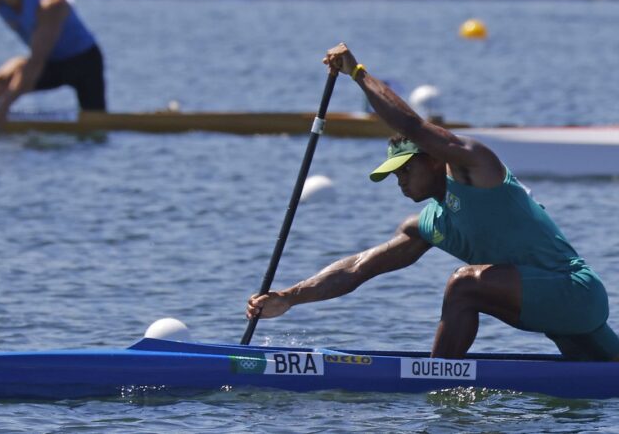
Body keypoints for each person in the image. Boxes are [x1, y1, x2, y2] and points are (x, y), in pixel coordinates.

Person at [247, 42, 619, 361]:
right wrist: (289, 297)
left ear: (434, 158)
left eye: (405, 171)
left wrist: (358, 73)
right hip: (554, 310)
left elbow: (412, 127)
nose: (401, 182)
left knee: (463, 284)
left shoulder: (478, 168)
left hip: (575, 292)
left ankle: (434, 380)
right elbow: (358, 268)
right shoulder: (430, 224)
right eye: (395, 176)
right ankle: (437, 374)